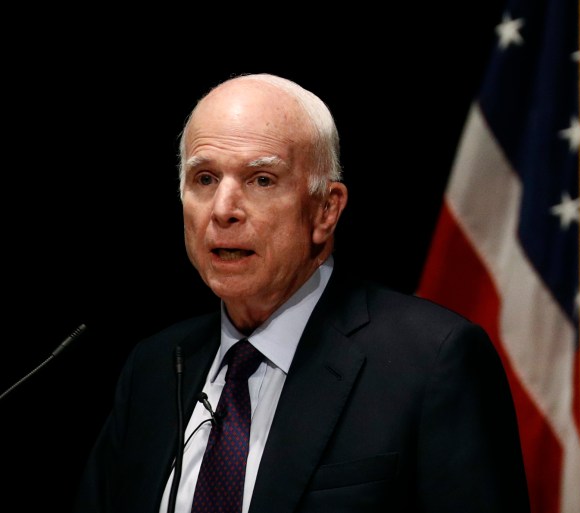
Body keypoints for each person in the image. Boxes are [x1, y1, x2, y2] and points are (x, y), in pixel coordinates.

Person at [73, 73, 530, 513]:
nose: (223, 209)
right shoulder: (154, 367)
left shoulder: (432, 361)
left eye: (261, 180)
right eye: (205, 179)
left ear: (326, 210)